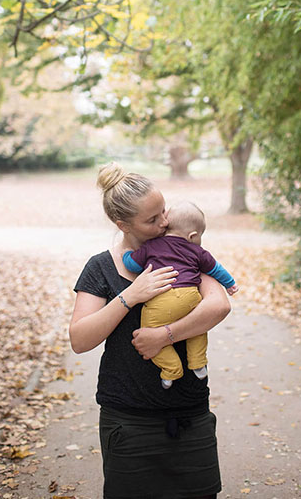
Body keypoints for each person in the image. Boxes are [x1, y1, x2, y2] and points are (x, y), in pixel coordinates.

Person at [69, 163, 231, 499]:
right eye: (151, 219)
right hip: (129, 420)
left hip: (190, 413)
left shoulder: (181, 253)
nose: (164, 224)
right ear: (122, 224)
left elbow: (219, 306)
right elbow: (80, 339)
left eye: (163, 212)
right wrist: (131, 296)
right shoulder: (100, 267)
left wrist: (165, 335)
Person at [122, 200, 239, 389]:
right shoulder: (198, 250)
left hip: (163, 301)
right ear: (193, 235)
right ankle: (198, 363)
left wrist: (127, 254)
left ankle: (171, 369)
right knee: (197, 326)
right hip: (191, 296)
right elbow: (216, 269)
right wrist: (230, 284)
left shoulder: (152, 246)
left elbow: (132, 265)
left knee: (149, 329)